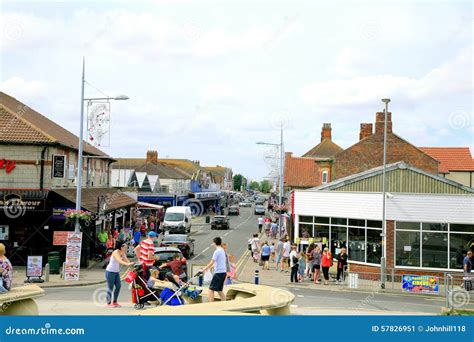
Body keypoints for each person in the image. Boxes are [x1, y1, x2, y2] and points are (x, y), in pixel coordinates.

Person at [105, 241, 133, 307]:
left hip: (116, 272)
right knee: (110, 287)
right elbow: (119, 260)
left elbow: (126, 260)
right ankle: (108, 303)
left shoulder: (122, 252)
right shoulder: (115, 252)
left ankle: (115, 301)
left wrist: (131, 264)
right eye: (125, 246)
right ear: (121, 247)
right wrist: (127, 264)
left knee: (118, 286)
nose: (126, 248)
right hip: (110, 272)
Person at [201, 237, 227, 302]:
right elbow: (217, 262)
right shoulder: (222, 250)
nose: (212, 244)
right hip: (223, 273)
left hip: (218, 273)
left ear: (215, 243)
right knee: (219, 290)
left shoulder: (217, 251)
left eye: (213, 242)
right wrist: (208, 268)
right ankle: (225, 303)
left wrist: (204, 269)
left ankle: (211, 305)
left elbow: (212, 261)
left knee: (211, 289)